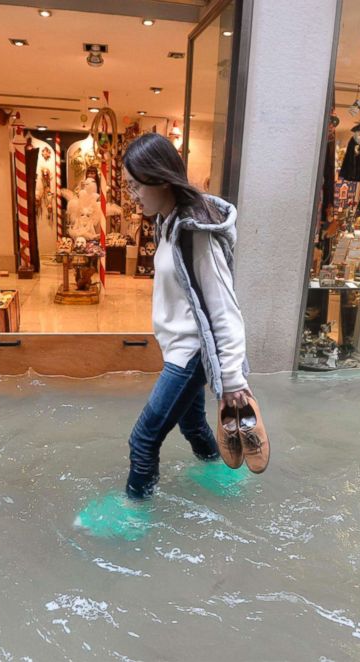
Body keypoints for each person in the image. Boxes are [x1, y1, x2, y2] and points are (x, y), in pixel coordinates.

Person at [121, 132, 258, 500]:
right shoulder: (166, 222)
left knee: (144, 438)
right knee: (194, 424)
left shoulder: (194, 232)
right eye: (128, 186)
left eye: (135, 186)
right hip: (179, 349)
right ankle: (225, 479)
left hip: (190, 355)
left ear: (160, 178)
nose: (131, 195)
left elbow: (224, 307)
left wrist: (231, 381)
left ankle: (134, 513)